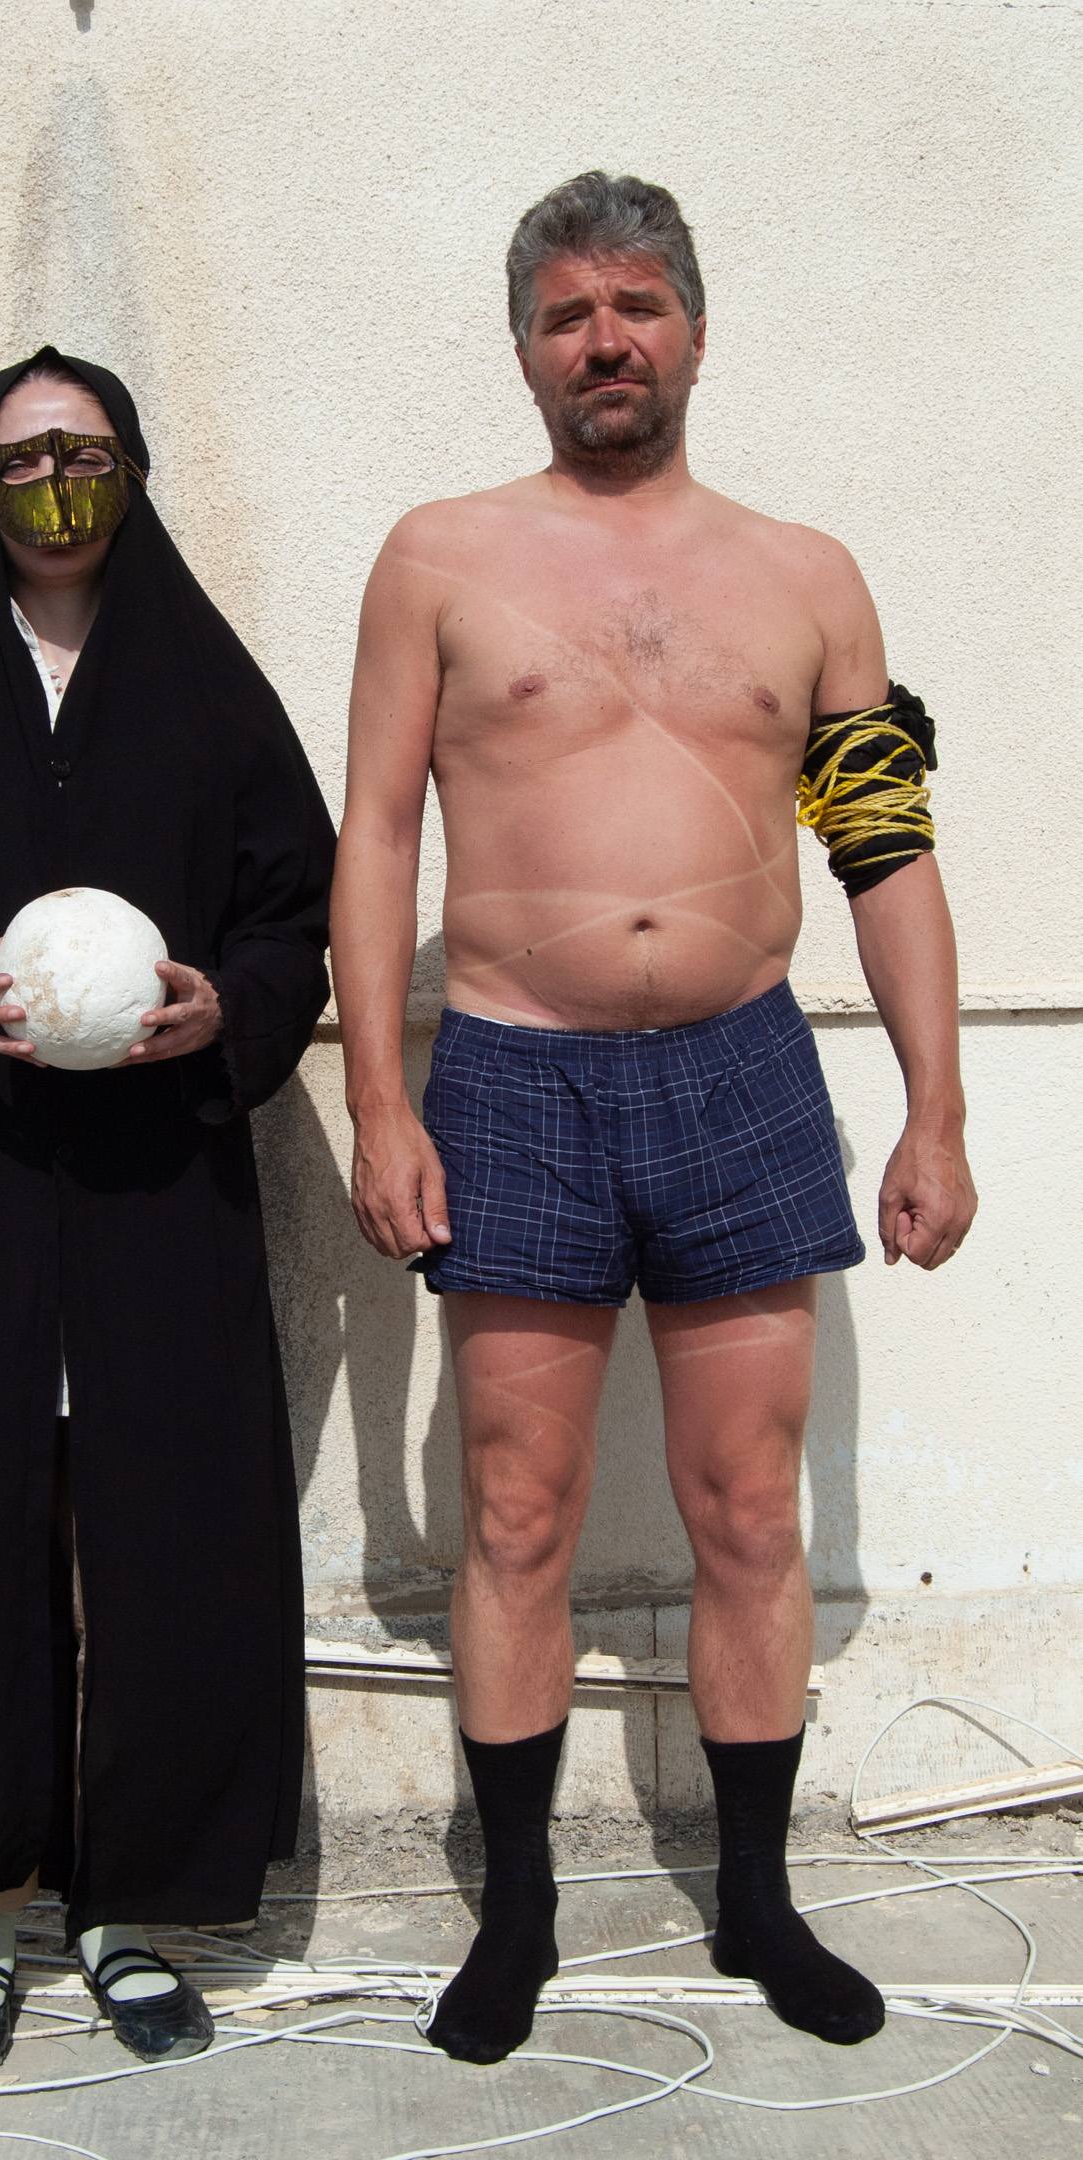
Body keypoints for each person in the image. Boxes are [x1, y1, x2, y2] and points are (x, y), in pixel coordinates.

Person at [330, 172, 976, 2067]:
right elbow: (376, 836)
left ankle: (757, 1900)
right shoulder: (437, 558)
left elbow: (883, 844)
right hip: (513, 1074)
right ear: (524, 348)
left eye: (635, 307)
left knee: (747, 1510)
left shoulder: (811, 577)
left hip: (743, 1069)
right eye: (565, 314)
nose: (603, 340)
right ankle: (517, 1912)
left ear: (694, 328)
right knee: (516, 1512)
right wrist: (380, 1099)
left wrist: (937, 1109)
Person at [0, 346, 334, 2078]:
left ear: (133, 466)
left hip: (157, 1186)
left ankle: (133, 1911)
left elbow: (294, 907)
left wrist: (229, 1011)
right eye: (22, 455)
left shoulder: (205, 683)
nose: (54, 481)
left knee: (164, 1539)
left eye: (82, 448)